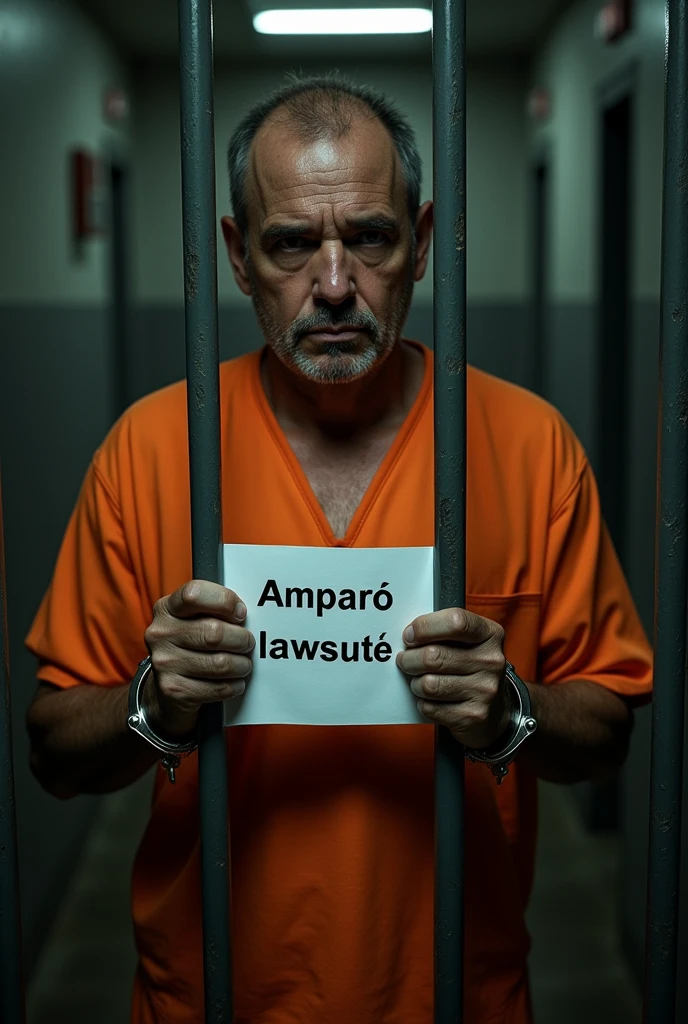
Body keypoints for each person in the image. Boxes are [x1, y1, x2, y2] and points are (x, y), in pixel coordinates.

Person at [25, 76, 652, 1024]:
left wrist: (509, 708)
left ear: (424, 242)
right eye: (290, 244)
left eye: (370, 236)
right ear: (238, 256)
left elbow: (609, 731)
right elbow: (53, 750)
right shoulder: (153, 449)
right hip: (209, 994)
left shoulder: (526, 445)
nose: (331, 284)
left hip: (457, 993)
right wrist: (156, 703)